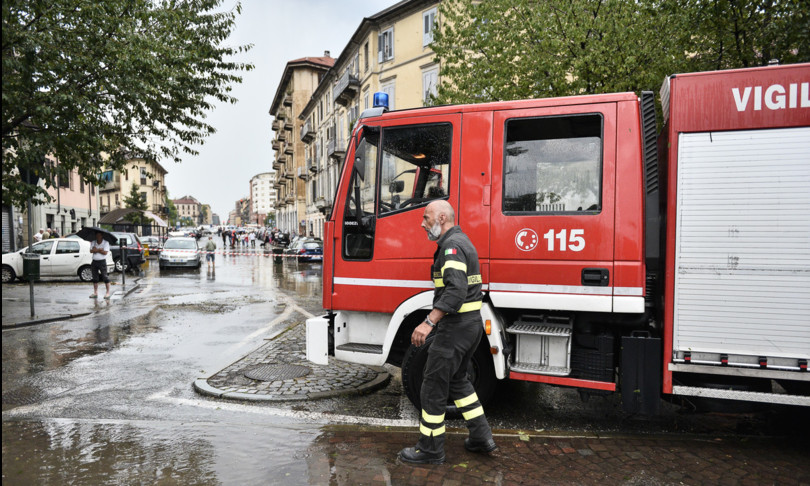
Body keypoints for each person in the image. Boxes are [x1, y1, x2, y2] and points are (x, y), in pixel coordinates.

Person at [398, 200, 496, 465]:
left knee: (432, 386)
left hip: (454, 329)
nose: (422, 223)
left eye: (426, 218)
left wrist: (428, 322)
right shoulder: (462, 242)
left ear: (442, 217)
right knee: (457, 381)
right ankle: (481, 437)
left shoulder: (451, 248)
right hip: (470, 326)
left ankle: (430, 450)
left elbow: (455, 290)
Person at [89, 231, 111, 299]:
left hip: (102, 262)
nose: (98, 237)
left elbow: (105, 252)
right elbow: (91, 251)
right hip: (94, 261)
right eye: (97, 235)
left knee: (105, 277)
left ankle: (107, 293)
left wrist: (96, 250)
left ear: (102, 236)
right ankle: (95, 292)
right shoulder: (93, 242)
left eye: (99, 235)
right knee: (95, 278)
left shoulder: (106, 243)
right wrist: (99, 250)